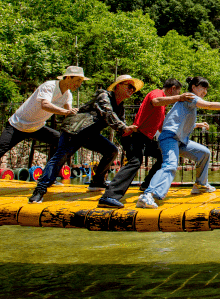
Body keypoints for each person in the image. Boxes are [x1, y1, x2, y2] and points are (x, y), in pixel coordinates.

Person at [0, 66, 88, 198]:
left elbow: (69, 114)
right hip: (17, 125)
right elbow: (45, 105)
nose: (79, 84)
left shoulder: (68, 95)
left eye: (81, 82)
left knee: (62, 142)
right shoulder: (49, 86)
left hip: (36, 127)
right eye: (77, 80)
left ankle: (48, 178)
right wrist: (66, 112)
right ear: (68, 77)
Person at [28, 75, 141, 204]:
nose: (132, 90)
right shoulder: (103, 95)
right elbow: (108, 114)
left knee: (111, 151)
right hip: (74, 130)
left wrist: (131, 138)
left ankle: (97, 182)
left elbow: (122, 125)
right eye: (129, 86)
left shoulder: (120, 107)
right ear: (118, 86)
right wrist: (124, 127)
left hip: (90, 134)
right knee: (60, 157)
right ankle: (39, 190)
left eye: (133, 88)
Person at [136, 77, 220, 209]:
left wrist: (198, 124)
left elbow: (180, 122)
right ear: (193, 87)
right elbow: (208, 105)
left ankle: (200, 185)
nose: (205, 92)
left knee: (204, 153)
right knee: (170, 165)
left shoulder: (187, 102)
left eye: (206, 89)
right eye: (203, 88)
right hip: (170, 139)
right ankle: (147, 195)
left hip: (179, 141)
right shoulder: (190, 97)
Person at [97, 78, 193, 209]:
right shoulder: (157, 93)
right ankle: (109, 196)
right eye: (178, 92)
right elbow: (155, 101)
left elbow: (163, 127)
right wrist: (179, 98)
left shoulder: (163, 107)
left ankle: (146, 185)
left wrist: (194, 125)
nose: (178, 95)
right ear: (173, 89)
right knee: (135, 162)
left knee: (162, 155)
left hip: (146, 139)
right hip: (135, 136)